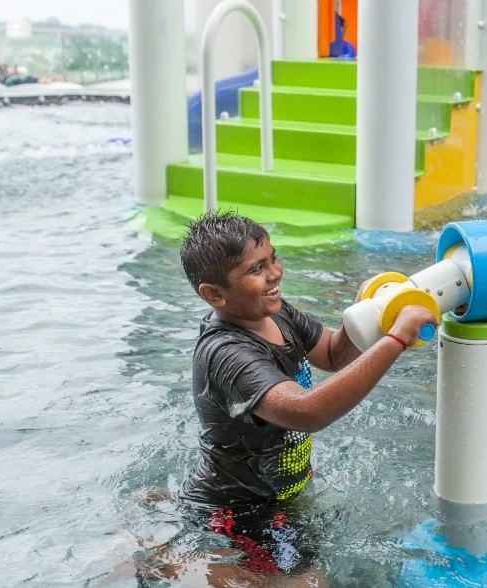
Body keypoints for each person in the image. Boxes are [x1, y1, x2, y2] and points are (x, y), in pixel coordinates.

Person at [172, 211, 437, 580]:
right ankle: (158, 555)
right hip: (232, 509)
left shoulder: (275, 315)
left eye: (273, 258)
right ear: (214, 293)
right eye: (256, 269)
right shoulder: (227, 352)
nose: (275, 273)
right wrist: (395, 340)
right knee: (307, 582)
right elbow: (306, 411)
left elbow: (333, 353)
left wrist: (364, 316)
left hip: (280, 498)